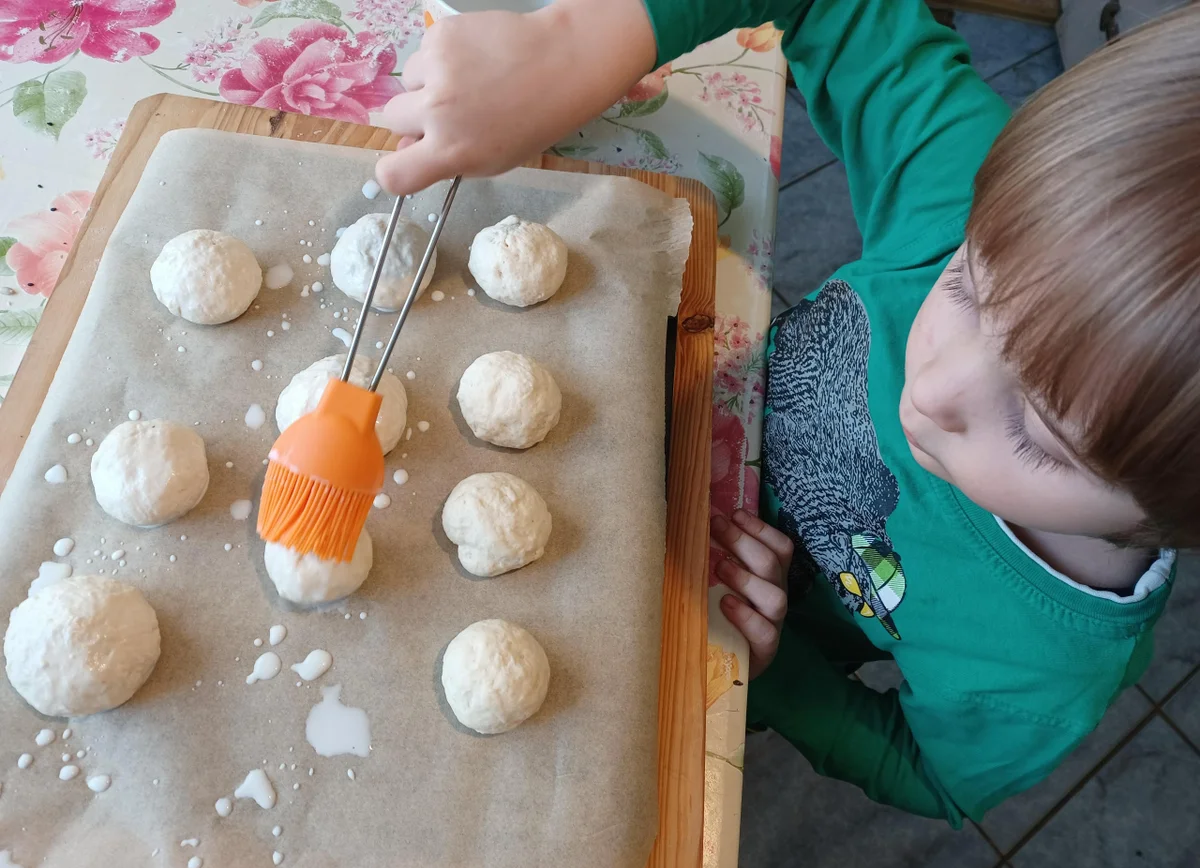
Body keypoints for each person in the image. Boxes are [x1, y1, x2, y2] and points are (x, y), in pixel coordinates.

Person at [374, 0, 1200, 825]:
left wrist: (777, 672)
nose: (933, 387)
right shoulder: (994, 198)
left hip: (675, 629)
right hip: (619, 408)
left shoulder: (1044, 672)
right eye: (967, 286)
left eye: (1034, 431)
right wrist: (577, 48)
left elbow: (928, 776)